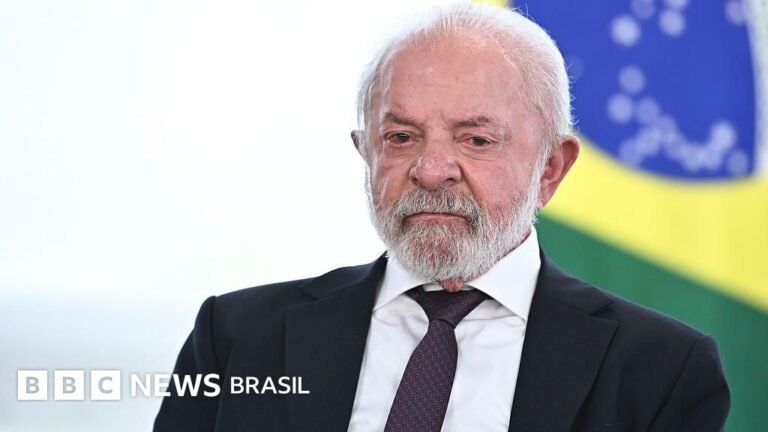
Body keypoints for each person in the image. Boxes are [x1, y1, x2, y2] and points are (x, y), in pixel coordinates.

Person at [154, 4, 730, 431]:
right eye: (401, 137)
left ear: (551, 168)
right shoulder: (235, 337)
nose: (431, 171)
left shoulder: (663, 369)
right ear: (366, 153)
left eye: (476, 139)